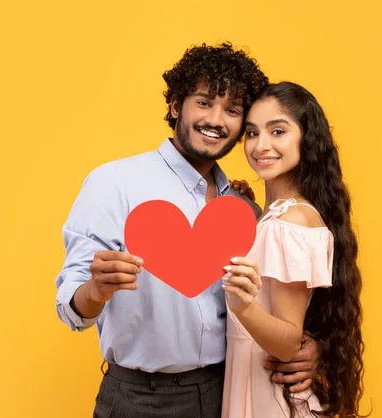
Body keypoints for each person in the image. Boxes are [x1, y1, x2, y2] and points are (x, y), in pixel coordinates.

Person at [55, 43, 323, 418]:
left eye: (232, 110)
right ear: (175, 105)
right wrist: (95, 291)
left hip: (227, 391)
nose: (216, 120)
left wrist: (309, 347)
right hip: (139, 399)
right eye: (204, 102)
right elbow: (70, 307)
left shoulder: (244, 210)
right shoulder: (114, 183)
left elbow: (281, 303)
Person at [221, 82, 366, 418]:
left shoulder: (288, 222)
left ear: (306, 138)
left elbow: (287, 342)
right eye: (253, 133)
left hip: (268, 397)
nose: (261, 145)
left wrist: (243, 307)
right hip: (262, 389)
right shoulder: (279, 217)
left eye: (278, 131)